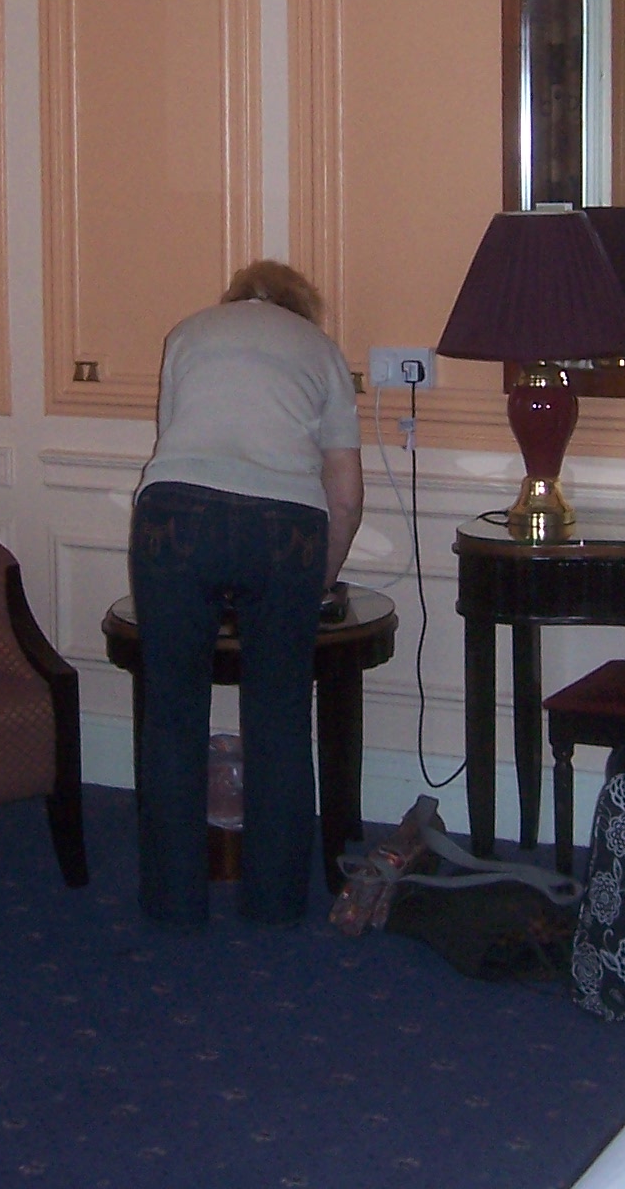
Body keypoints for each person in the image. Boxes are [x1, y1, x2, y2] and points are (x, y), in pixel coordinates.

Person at [130, 260, 364, 929]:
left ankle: (174, 905)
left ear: (235, 300)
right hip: (284, 526)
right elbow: (346, 493)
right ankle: (275, 905)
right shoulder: (320, 350)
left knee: (172, 715)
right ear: (300, 306)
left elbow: (173, 443)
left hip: (176, 517)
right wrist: (321, 576)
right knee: (281, 719)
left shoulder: (188, 333)